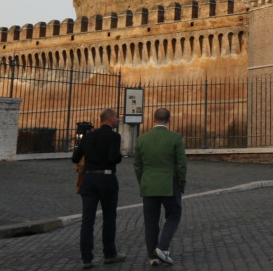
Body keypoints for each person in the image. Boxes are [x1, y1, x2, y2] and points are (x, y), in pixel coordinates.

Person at [71, 108, 126, 269]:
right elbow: (113, 159)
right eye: (116, 117)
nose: (118, 119)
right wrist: (119, 154)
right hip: (106, 179)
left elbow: (75, 157)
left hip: (88, 179)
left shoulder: (88, 136)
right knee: (109, 217)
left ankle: (86, 258)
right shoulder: (114, 136)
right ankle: (110, 253)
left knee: (87, 220)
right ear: (109, 119)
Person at [134, 107, 187, 267]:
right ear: (169, 120)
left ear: (153, 119)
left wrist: (143, 181)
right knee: (173, 215)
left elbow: (137, 165)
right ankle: (162, 248)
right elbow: (181, 165)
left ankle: (153, 257)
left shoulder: (142, 139)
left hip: (148, 184)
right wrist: (181, 184)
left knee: (150, 221)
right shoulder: (175, 138)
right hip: (169, 183)